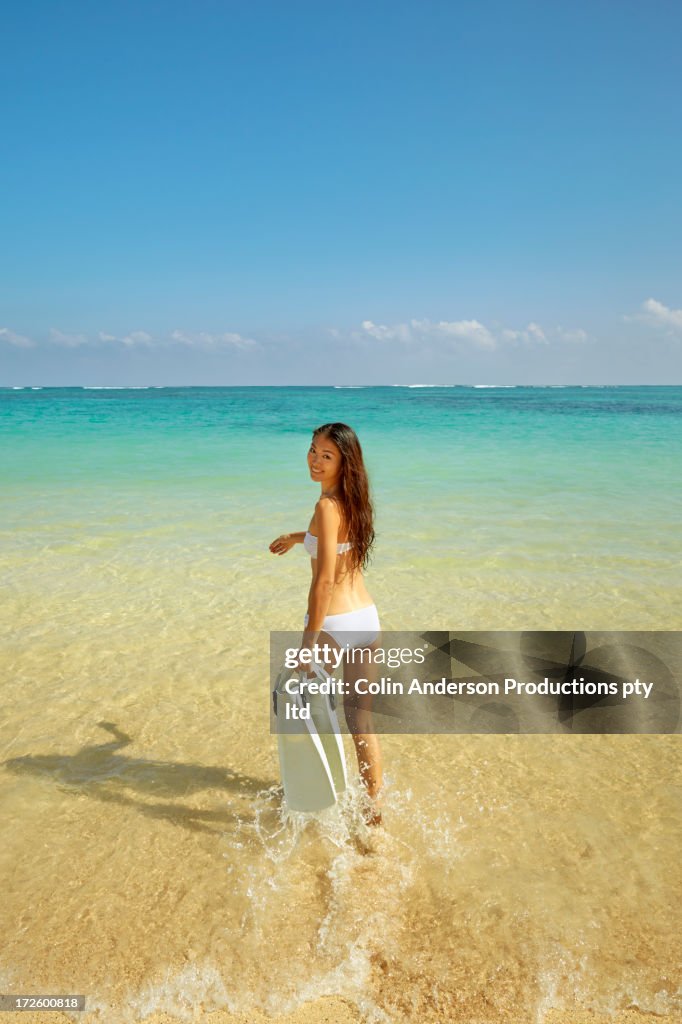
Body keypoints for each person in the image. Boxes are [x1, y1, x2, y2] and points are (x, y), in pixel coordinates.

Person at [269, 422, 383, 826]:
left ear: (343, 462)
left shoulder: (325, 507)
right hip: (366, 622)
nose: (315, 460)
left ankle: (307, 800)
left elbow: (324, 581)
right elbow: (335, 540)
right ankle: (373, 810)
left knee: (302, 713)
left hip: (332, 625)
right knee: (361, 721)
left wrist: (306, 645)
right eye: (313, 450)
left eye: (326, 455)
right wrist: (298, 537)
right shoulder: (354, 501)